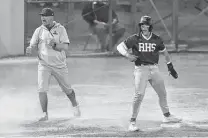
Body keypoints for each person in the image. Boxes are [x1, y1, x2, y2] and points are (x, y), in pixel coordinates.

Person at [117, 15, 182, 131]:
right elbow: (120, 47)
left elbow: (165, 52)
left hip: (154, 69)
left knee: (162, 93)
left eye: (146, 25)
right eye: (142, 25)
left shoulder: (156, 39)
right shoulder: (135, 38)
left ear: (150, 26)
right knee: (139, 95)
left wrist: (170, 66)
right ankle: (132, 122)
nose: (143, 27)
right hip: (141, 70)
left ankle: (167, 116)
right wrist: (127, 55)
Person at [26, 8, 81, 121]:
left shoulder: (61, 29)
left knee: (67, 90)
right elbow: (32, 45)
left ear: (52, 17)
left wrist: (55, 44)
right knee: (41, 89)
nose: (43, 18)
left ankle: (75, 105)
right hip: (44, 64)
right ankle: (44, 114)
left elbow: (65, 47)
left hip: (59, 64)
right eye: (41, 16)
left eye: (45, 16)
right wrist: (30, 49)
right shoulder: (39, 30)